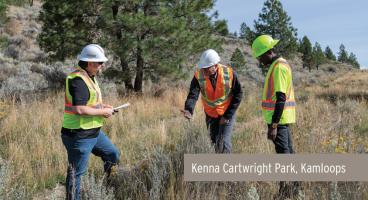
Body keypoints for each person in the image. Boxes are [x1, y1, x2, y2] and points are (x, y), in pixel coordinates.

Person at [61, 44, 120, 200]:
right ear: (89, 63)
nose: (102, 65)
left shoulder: (90, 77)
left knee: (112, 154)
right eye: (100, 62)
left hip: (93, 132)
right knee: (76, 174)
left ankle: (109, 187)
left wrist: (104, 107)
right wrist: (103, 112)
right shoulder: (78, 80)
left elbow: (90, 103)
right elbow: (79, 109)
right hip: (78, 135)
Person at [252, 35, 298, 198]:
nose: (259, 60)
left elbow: (280, 99)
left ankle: (285, 193)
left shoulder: (278, 67)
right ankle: (294, 190)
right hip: (282, 119)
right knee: (289, 154)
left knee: (284, 157)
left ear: (266, 53)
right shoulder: (279, 64)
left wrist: (273, 126)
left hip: (279, 121)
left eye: (259, 57)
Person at [182, 49, 243, 153]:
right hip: (210, 114)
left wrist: (227, 116)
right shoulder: (198, 75)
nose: (204, 70)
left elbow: (239, 94)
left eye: (207, 68)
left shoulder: (229, 73)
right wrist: (189, 109)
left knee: (223, 142)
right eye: (203, 68)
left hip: (227, 111)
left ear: (215, 66)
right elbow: (193, 94)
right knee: (214, 142)